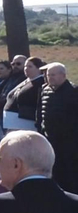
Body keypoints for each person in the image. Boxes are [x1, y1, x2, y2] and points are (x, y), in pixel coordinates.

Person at [38, 63, 78, 192]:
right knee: (53, 170)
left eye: (53, 75)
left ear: (63, 75)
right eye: (49, 75)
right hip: (49, 138)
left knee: (69, 171)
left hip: (68, 141)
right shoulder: (45, 90)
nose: (50, 78)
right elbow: (40, 112)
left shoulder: (73, 91)